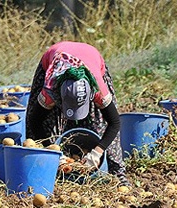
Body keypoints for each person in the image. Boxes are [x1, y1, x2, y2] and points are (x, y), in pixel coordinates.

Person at [25, 41, 130, 186]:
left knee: (100, 123)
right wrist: (53, 151)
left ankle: (117, 172)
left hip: (91, 58)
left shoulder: (98, 88)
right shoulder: (50, 89)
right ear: (59, 97)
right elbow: (34, 121)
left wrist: (98, 151)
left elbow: (114, 122)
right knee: (41, 126)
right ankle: (42, 170)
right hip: (54, 58)